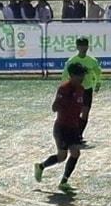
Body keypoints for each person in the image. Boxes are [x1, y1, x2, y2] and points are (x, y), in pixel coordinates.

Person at [34, 63, 87, 193]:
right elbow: (54, 108)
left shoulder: (81, 89)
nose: (82, 78)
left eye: (83, 75)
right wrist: (63, 102)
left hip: (73, 128)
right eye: (79, 75)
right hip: (62, 128)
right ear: (72, 75)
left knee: (75, 153)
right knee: (62, 156)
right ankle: (41, 166)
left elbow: (80, 108)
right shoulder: (64, 89)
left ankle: (64, 182)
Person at [62, 37, 104, 144]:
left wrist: (98, 82)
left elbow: (98, 72)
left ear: (87, 47)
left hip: (87, 89)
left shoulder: (92, 61)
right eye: (80, 46)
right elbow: (65, 75)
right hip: (75, 91)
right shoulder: (72, 61)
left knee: (85, 113)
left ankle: (79, 134)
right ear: (77, 47)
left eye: (85, 45)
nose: (83, 48)